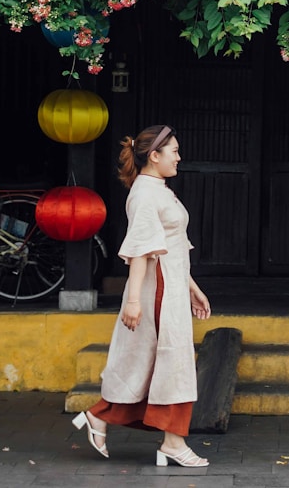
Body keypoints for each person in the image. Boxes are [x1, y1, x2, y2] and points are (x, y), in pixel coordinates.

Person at [72, 124, 212, 468]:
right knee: (172, 362)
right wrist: (133, 300)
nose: (179, 157)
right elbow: (141, 252)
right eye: (174, 151)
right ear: (154, 155)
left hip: (172, 286)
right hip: (158, 290)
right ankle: (173, 442)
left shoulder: (159, 189)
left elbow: (173, 247)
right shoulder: (145, 194)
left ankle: (101, 417)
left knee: (154, 363)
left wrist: (193, 288)